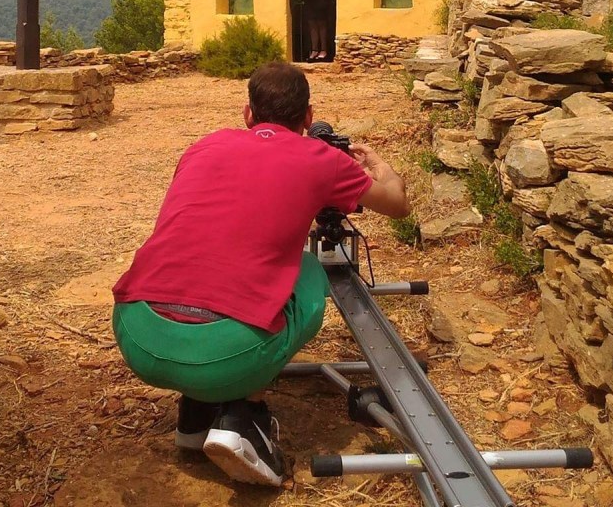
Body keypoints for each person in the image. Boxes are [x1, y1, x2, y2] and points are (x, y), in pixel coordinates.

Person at [111, 61, 409, 487]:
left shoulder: (203, 147)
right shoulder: (322, 158)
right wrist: (380, 167)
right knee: (305, 272)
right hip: (223, 353)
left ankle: (194, 417)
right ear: (307, 118)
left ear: (247, 114)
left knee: (207, 271)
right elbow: (397, 204)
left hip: (136, 333)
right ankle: (243, 419)